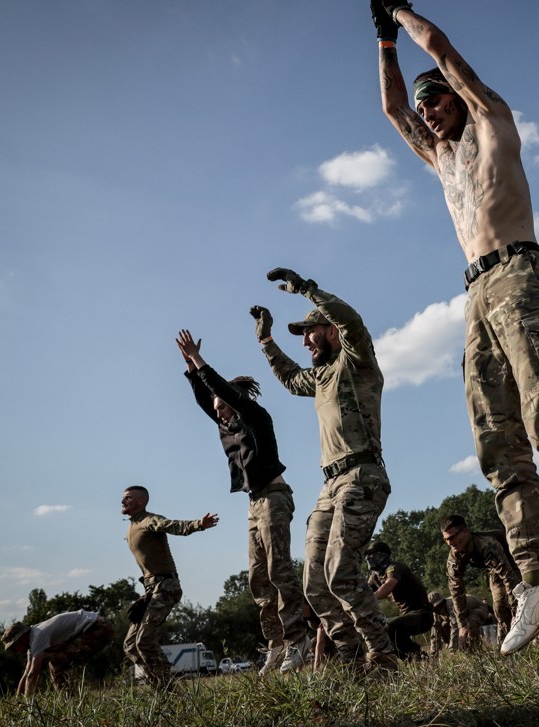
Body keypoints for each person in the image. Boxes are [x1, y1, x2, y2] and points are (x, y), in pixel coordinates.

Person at [369, 0, 539, 653]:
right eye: (426, 106)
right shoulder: (440, 156)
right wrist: (381, 37)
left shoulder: (492, 119)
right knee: (497, 445)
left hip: (523, 275)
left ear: (455, 97)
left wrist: (404, 14)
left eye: (435, 99)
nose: (429, 110)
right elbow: (391, 110)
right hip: (475, 295)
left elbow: (444, 52)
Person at [252, 268, 398, 673]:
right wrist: (266, 341)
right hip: (330, 484)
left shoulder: (357, 360)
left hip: (362, 476)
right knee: (314, 582)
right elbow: (288, 378)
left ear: (330, 331)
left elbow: (351, 319)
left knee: (339, 570)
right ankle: (351, 660)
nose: (304, 340)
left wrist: (306, 290)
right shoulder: (320, 377)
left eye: (309, 331)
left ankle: (382, 654)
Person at [175, 330, 308, 675]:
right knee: (257, 579)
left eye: (222, 406)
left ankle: (298, 639)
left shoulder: (254, 418)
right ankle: (276, 645)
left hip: (275, 497)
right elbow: (207, 399)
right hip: (253, 504)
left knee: (280, 570)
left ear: (234, 401)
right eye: (216, 410)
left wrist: (201, 362)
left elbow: (219, 390)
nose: (217, 413)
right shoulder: (227, 426)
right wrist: (190, 368)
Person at [120, 485, 218, 688]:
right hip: (150, 589)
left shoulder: (149, 520)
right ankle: (157, 682)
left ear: (141, 501)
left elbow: (171, 525)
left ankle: (168, 688)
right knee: (130, 645)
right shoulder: (132, 525)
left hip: (166, 585)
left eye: (128, 498)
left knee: (144, 641)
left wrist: (198, 524)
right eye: (123, 498)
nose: (123, 501)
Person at [441, 514, 521, 645]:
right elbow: (456, 590)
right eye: (446, 540)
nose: (450, 543)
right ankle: (506, 645)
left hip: (515, 562)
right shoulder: (454, 557)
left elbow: (508, 576)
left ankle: (537, 636)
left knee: (522, 604)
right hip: (496, 570)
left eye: (452, 537)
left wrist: (516, 611)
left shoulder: (486, 544)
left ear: (465, 532)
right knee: (499, 607)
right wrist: (462, 625)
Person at [2, 610, 115, 696]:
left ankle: (68, 699)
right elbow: (26, 674)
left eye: (14, 646)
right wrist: (18, 701)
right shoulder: (32, 644)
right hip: (92, 628)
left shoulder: (37, 636)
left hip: (99, 628)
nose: (16, 651)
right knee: (59, 661)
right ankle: (69, 697)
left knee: (57, 663)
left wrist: (27, 704)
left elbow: (33, 674)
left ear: (21, 638)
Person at [365, 541, 434, 659]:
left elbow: (388, 586)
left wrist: (366, 600)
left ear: (383, 555)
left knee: (390, 627)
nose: (369, 558)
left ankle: (418, 656)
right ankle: (411, 661)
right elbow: (364, 592)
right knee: (381, 629)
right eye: (367, 555)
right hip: (406, 615)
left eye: (373, 554)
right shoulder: (375, 576)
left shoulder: (395, 568)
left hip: (422, 615)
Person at [428, 592, 495, 654]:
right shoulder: (436, 613)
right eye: (434, 608)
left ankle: (476, 649)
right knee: (444, 627)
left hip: (478, 608)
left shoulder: (451, 605)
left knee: (470, 624)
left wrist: (452, 651)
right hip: (463, 615)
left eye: (438, 606)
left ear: (443, 602)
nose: (437, 610)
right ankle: (464, 648)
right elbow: (435, 634)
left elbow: (455, 628)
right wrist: (433, 655)